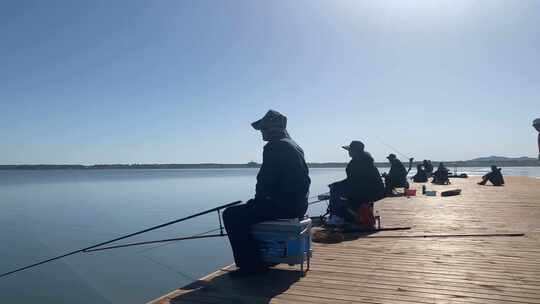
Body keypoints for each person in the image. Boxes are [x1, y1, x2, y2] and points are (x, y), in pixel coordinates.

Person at [222, 110, 310, 275]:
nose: (261, 132)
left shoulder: (275, 146)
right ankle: (263, 258)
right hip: (298, 205)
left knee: (231, 215)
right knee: (246, 212)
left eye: (263, 128)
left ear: (272, 129)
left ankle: (250, 266)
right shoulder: (293, 144)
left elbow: (265, 181)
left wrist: (257, 202)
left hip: (284, 206)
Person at [326, 141, 385, 227]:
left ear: (355, 151)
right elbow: (354, 180)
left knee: (335, 189)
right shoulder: (366, 160)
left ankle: (336, 217)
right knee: (337, 187)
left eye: (350, 150)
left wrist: (335, 185)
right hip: (375, 191)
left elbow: (354, 181)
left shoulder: (357, 162)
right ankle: (350, 214)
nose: (348, 152)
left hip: (367, 191)